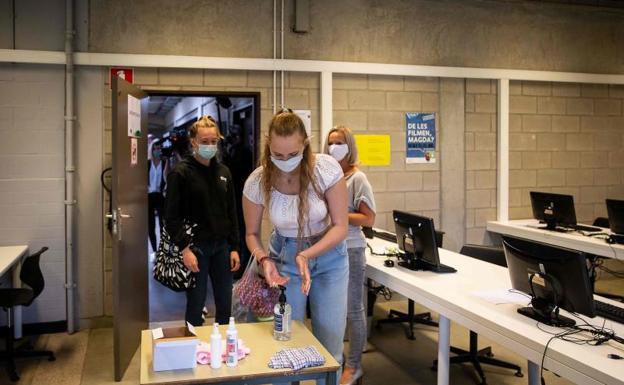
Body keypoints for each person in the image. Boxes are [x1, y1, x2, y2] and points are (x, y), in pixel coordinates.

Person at [242, 110, 349, 380]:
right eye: (278, 155)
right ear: (269, 146)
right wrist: (265, 260)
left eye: (293, 154)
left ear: (305, 144)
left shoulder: (325, 169)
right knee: (287, 341)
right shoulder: (257, 181)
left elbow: (340, 226)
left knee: (330, 345)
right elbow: (251, 234)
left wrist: (307, 255)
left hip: (329, 256)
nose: (286, 161)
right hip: (285, 259)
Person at [164, 115, 241, 326]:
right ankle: (194, 350)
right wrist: (184, 249)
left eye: (213, 141)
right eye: (204, 141)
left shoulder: (224, 172)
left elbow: (231, 212)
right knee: (196, 305)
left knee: (225, 303)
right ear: (193, 142)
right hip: (195, 249)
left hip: (221, 248)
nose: (209, 145)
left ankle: (225, 348)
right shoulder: (180, 173)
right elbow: (171, 217)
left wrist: (234, 247)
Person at [324, 126, 376, 385]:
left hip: (352, 249)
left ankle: (354, 366)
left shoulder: (358, 179)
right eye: (331, 143)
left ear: (349, 146)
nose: (334, 147)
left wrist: (338, 216)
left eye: (340, 142)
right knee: (335, 309)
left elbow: (368, 218)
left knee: (354, 310)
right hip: (330, 249)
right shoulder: (327, 176)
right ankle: (339, 360)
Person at [147, 140, 168, 254]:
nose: (157, 150)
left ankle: (163, 250)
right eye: (155, 148)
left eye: (159, 148)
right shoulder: (148, 163)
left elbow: (167, 178)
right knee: (150, 225)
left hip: (161, 195)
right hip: (149, 195)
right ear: (151, 149)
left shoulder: (164, 163)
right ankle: (155, 251)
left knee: (162, 224)